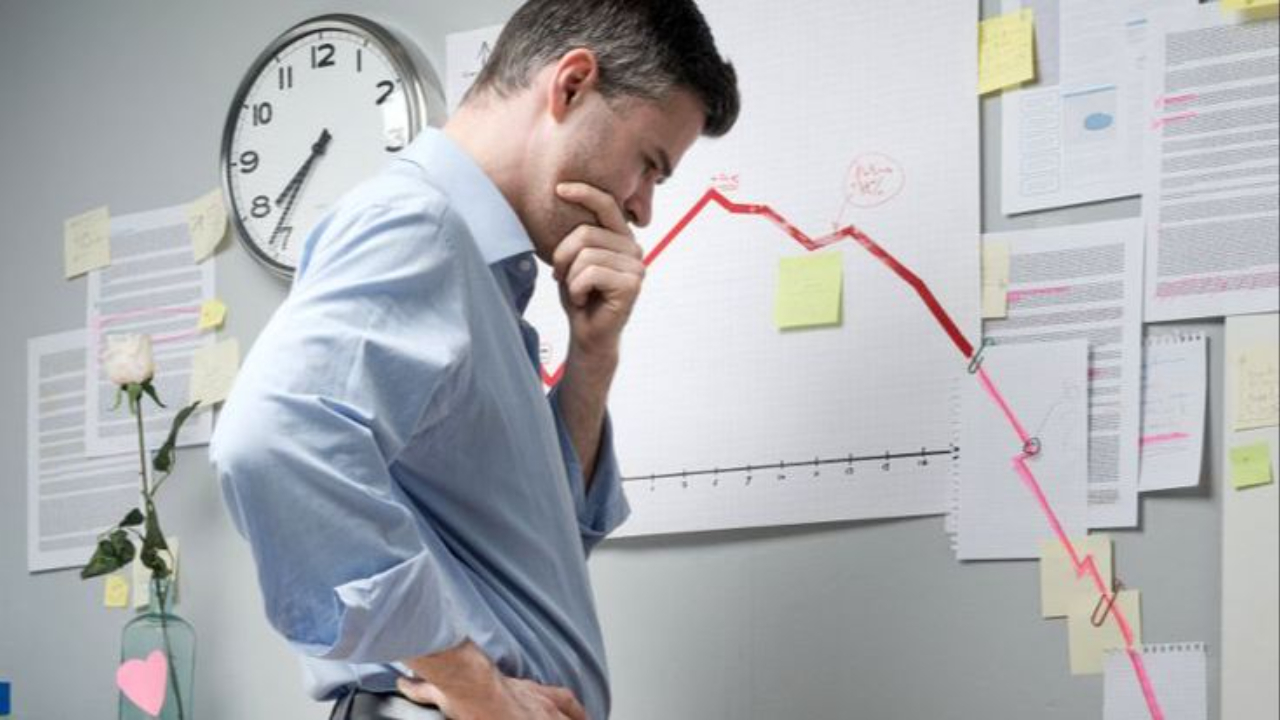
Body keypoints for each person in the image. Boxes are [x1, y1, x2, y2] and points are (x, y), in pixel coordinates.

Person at [209, 1, 739, 718]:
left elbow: (531, 553)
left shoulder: (482, 276)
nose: (642, 207)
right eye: (649, 165)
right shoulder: (421, 225)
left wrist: (593, 356)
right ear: (573, 84)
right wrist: (472, 685)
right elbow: (271, 438)